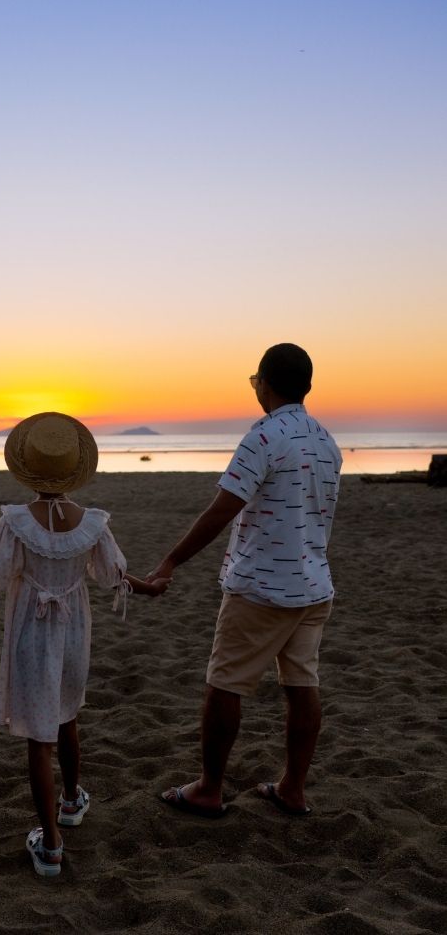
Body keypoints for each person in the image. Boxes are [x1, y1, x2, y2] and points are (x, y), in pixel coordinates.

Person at [0, 412, 170, 877]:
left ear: (26, 468)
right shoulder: (91, 522)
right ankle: (72, 800)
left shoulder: (16, 521)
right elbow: (115, 578)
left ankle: (51, 845)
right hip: (74, 629)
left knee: (40, 736)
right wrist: (151, 587)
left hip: (31, 631)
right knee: (67, 716)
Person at [149, 343, 342, 818]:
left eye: (255, 381)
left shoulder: (264, 436)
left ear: (264, 383)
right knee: (302, 684)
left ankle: (209, 789)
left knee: (225, 685)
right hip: (313, 585)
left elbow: (221, 509)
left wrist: (171, 561)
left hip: (262, 586)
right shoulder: (327, 441)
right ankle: (292, 788)